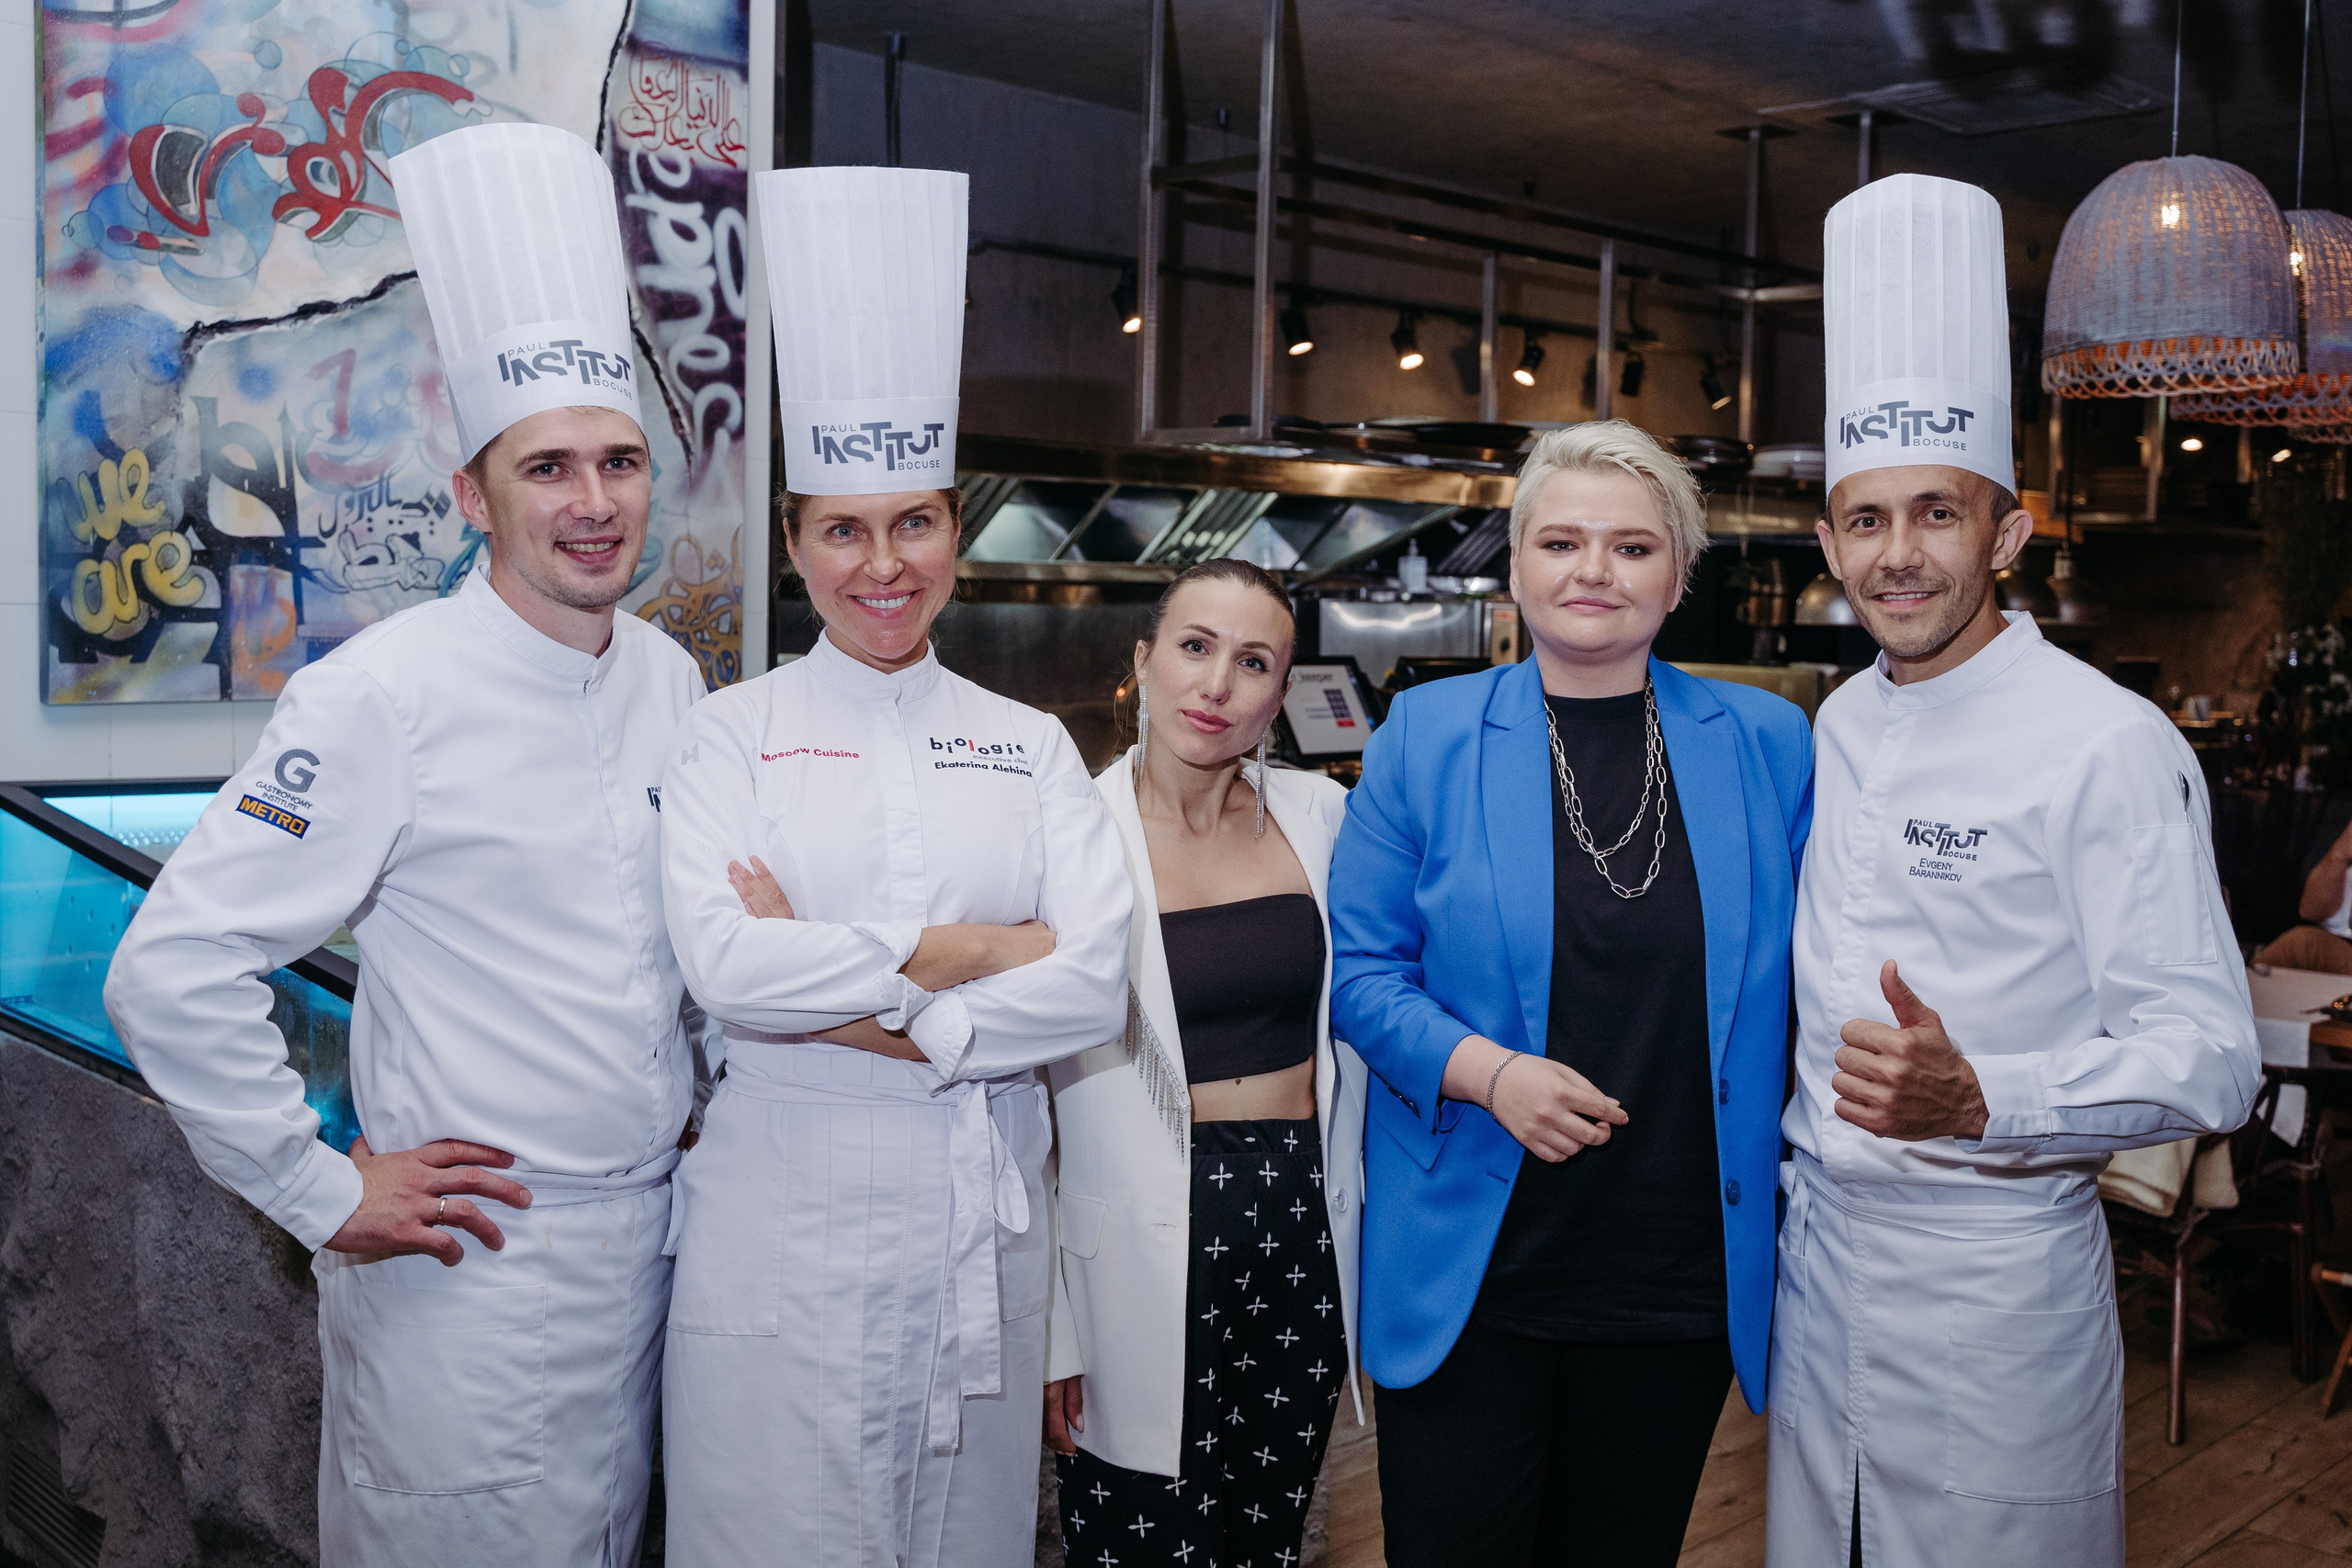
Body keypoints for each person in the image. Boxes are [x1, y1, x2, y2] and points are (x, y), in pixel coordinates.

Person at [102, 122, 705, 1567]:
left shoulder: (670, 677)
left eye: (618, 461)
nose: (594, 500)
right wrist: (320, 1185)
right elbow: (169, 968)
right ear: (472, 496)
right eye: (548, 467)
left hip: (653, 1255)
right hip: (473, 1272)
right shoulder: (380, 692)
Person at [1770, 174, 2259, 1568]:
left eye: (1939, 513)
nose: (1900, 554)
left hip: (1997, 1292)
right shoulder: (1845, 719)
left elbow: (2213, 1056)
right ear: (1829, 545)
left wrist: (1990, 1093)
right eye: (1867, 520)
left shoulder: (2105, 742)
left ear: (2008, 530)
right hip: (1820, 1275)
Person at [654, 164, 1132, 1568]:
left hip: (974, 1231)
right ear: (797, 542)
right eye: (846, 529)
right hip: (779, 1229)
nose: (884, 562)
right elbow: (729, 965)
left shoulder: (1029, 742)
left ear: (954, 535)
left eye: (914, 522)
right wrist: (988, 950)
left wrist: (864, 977)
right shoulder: (727, 731)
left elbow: (1095, 984)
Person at [1327, 422, 1812, 1567]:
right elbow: (1360, 977)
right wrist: (1492, 1075)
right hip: (1477, 1274)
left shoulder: (1767, 742)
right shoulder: (1427, 735)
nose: (1595, 571)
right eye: (1562, 542)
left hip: (1677, 1272)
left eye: (1633, 548)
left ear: (1679, 574)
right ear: (1516, 564)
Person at [1042, 558, 1367, 1568]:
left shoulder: (1322, 819)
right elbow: (1025, 1106)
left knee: (1267, 1536)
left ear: (1280, 694)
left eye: (1253, 661)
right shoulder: (1063, 834)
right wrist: (1054, 1332)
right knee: (1137, 1538)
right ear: (1142, 662)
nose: (1217, 684)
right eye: (1194, 647)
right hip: (1133, 1249)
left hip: (1298, 1232)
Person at [2249, 816, 2352, 974]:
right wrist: (2340, 854)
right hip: (2339, 942)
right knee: (2302, 945)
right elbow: (2311, 911)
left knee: (2303, 945)